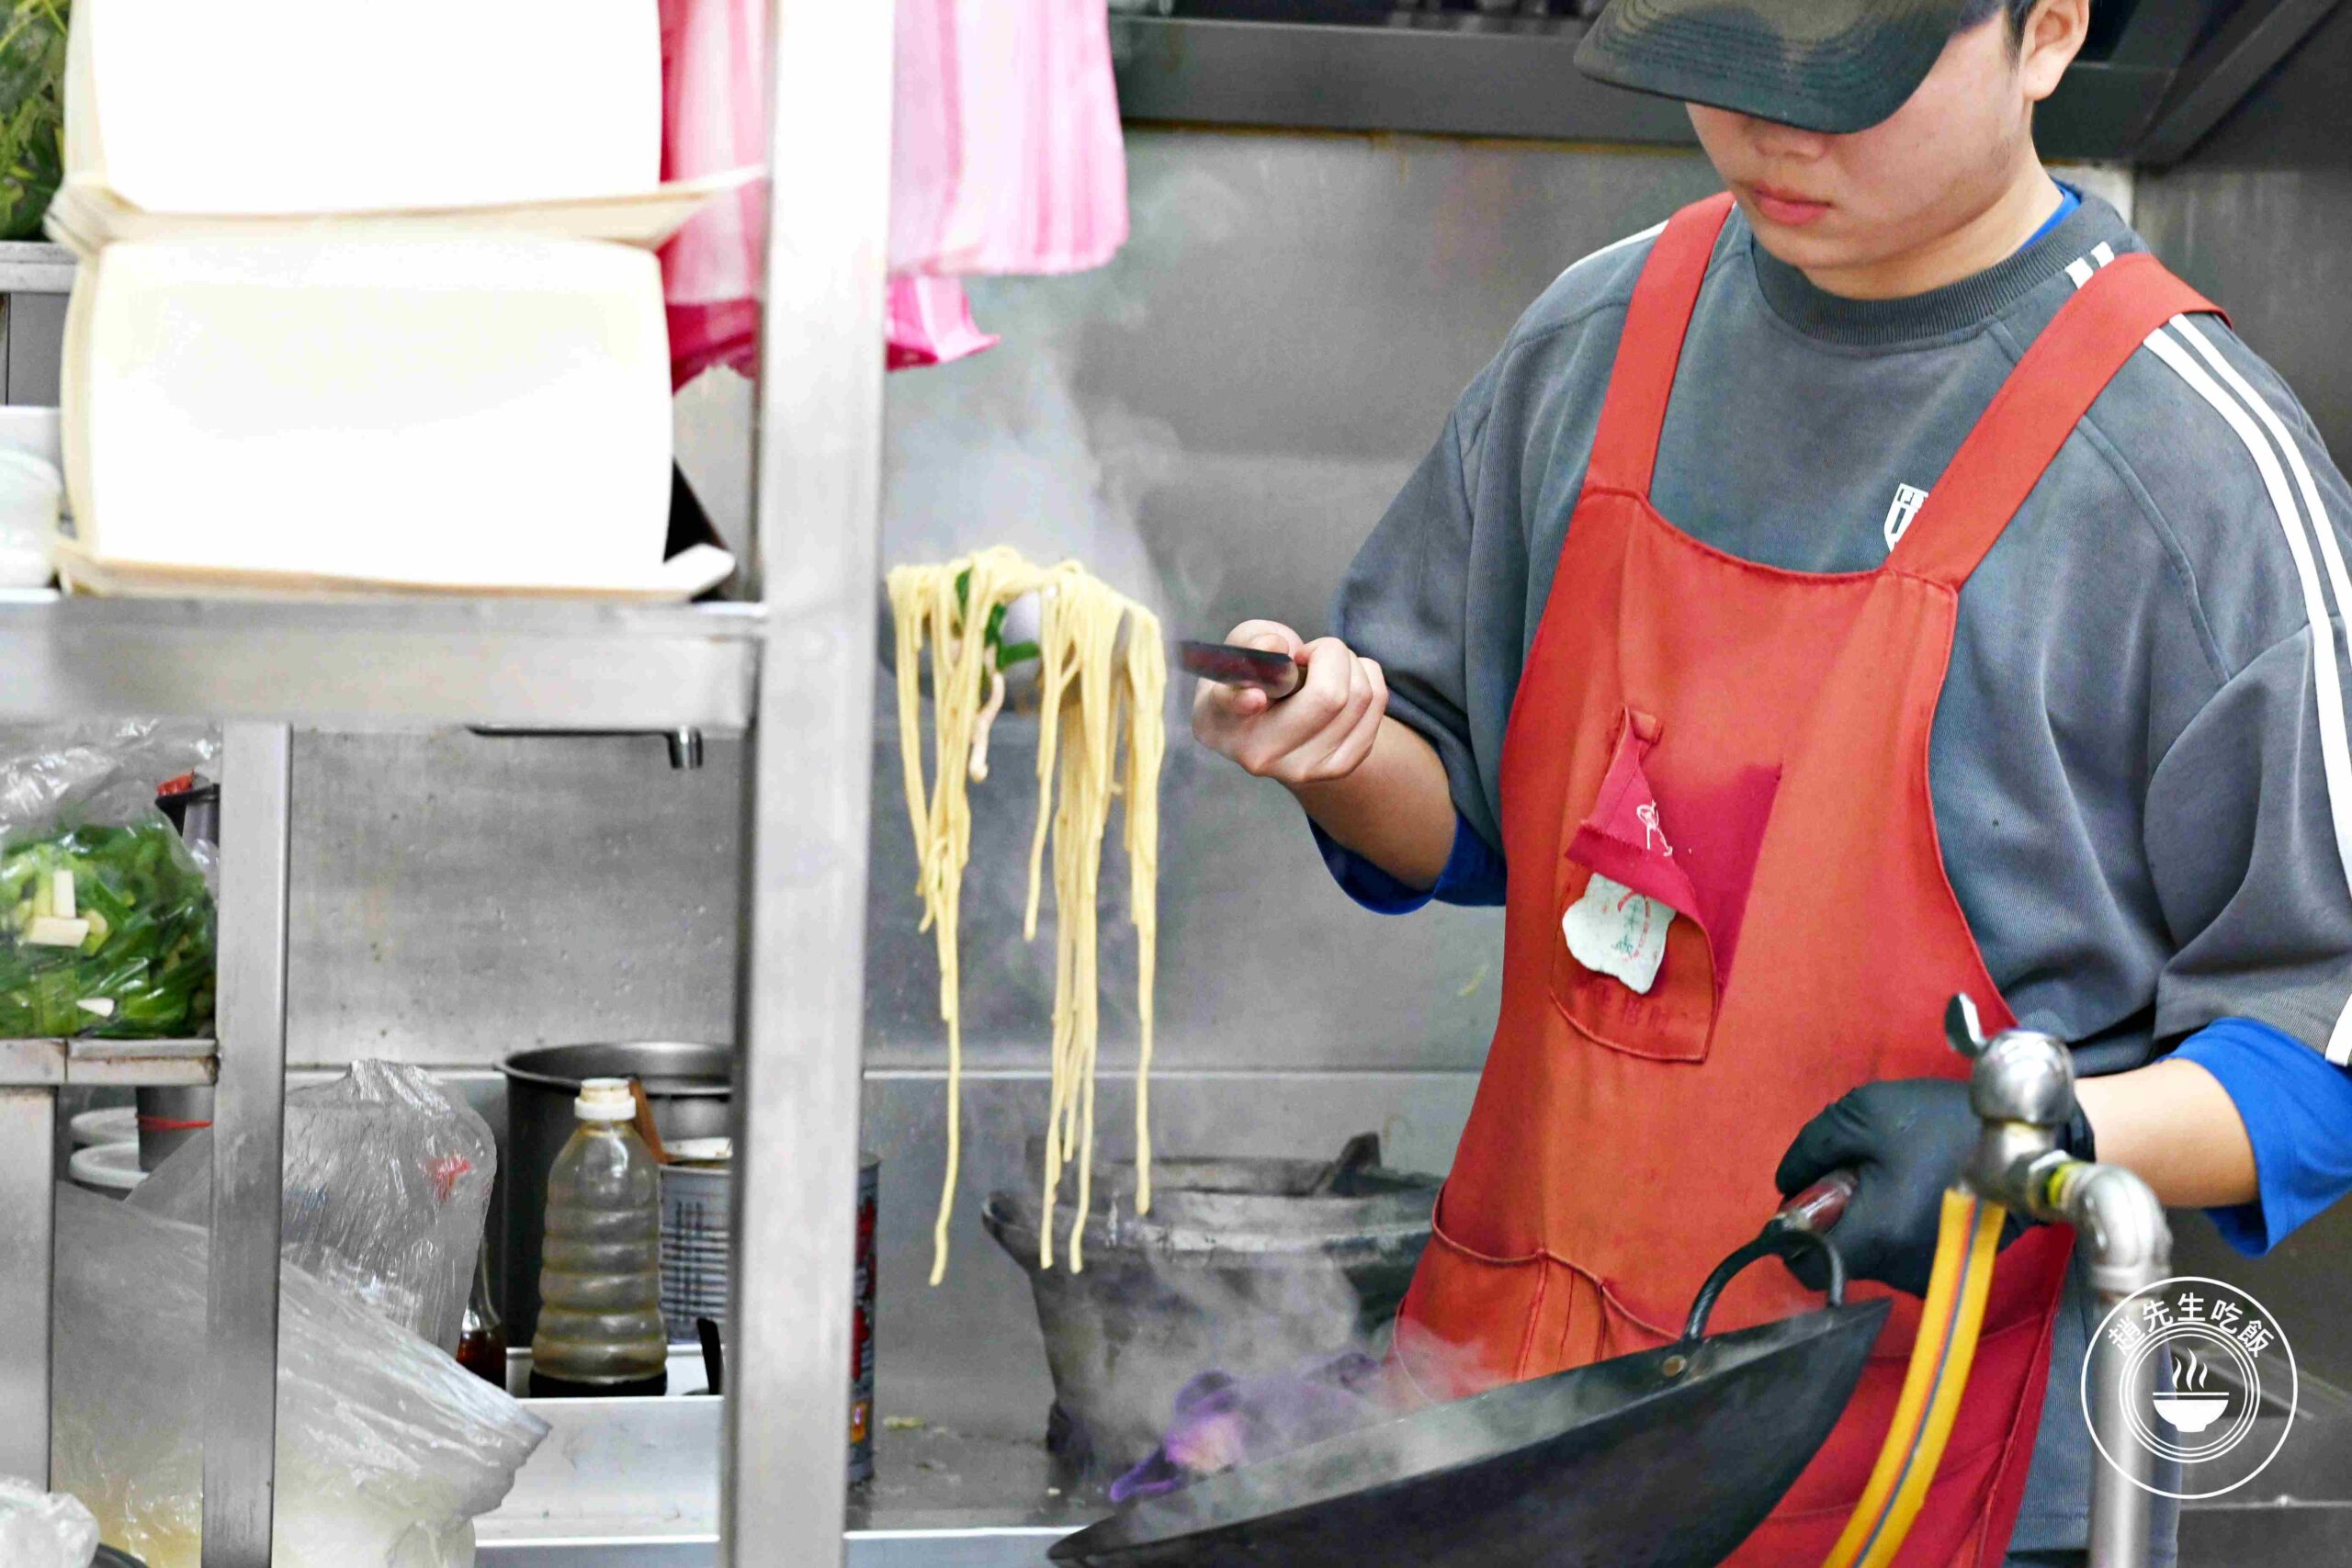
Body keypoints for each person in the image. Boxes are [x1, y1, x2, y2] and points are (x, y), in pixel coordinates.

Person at [1190, 1, 2352, 1563]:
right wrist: (1335, 752)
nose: (1773, 135)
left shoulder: (2193, 467)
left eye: (1848, 84)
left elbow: (2320, 1046)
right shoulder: (1600, 337)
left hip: (1923, 1466)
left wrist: (2037, 1144)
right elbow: (1469, 818)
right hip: (1517, 1431)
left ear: (2049, 33)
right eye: (1725, 69)